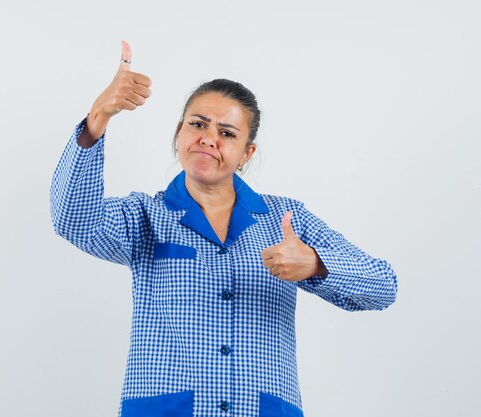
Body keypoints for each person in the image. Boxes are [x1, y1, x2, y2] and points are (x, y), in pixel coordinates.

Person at [50, 41, 397, 417]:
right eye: (197, 124)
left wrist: (315, 263)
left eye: (227, 133)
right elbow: (74, 220)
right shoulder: (146, 216)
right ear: (179, 132)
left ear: (246, 152)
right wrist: (98, 117)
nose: (208, 138)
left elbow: (384, 286)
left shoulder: (285, 220)